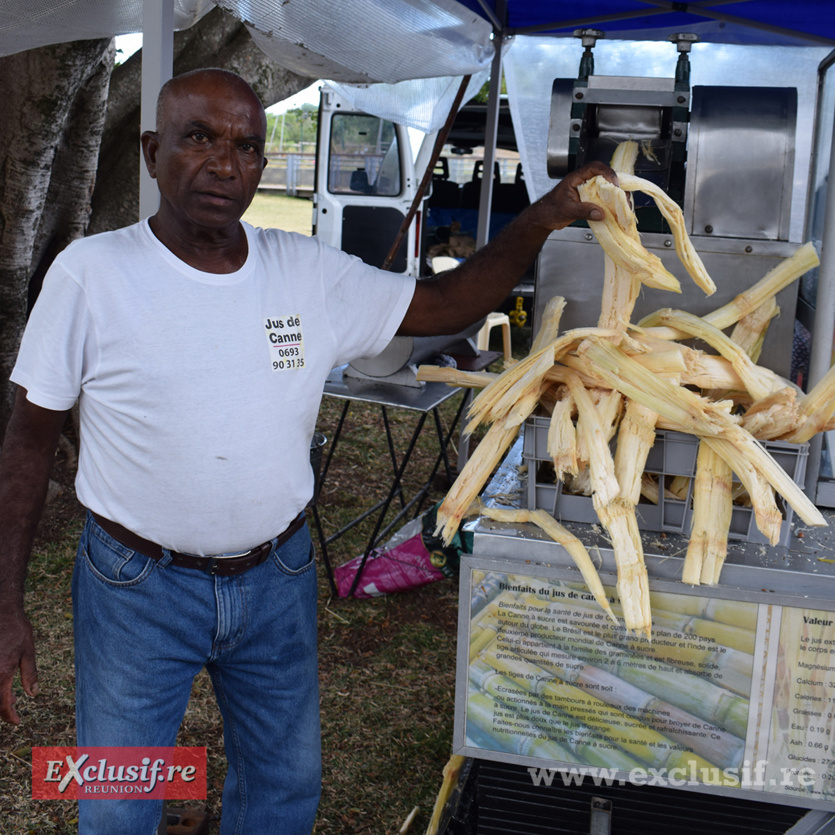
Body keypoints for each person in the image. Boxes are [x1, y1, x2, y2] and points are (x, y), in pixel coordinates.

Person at [0, 68, 613, 833]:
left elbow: (447, 303)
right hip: (135, 587)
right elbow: (27, 444)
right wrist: (6, 603)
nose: (225, 164)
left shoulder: (304, 273)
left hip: (275, 578)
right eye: (199, 139)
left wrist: (544, 216)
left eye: (247, 147)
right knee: (121, 804)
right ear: (154, 150)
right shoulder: (91, 275)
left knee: (284, 790)